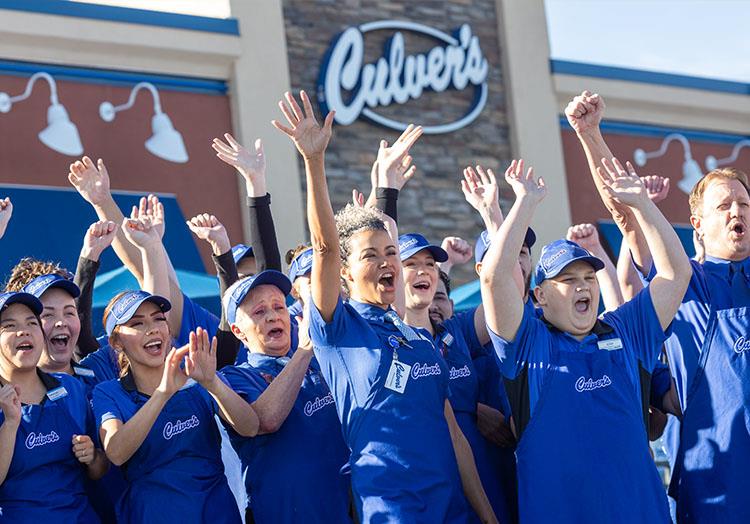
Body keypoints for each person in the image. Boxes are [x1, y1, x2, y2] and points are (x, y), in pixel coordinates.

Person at [272, 89, 496, 523]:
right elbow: (324, 247)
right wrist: (313, 161)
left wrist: (488, 516)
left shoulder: (422, 339)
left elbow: (453, 436)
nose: (386, 262)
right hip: (393, 513)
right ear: (346, 273)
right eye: (370, 255)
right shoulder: (338, 327)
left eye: (391, 252)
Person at [567, 90, 749, 522]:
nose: (736, 211)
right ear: (698, 225)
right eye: (723, 205)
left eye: (743, 203)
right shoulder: (685, 281)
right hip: (716, 491)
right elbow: (626, 214)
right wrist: (591, 136)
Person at [481, 158, 691, 523]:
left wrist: (643, 204)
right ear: (540, 297)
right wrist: (525, 202)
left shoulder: (626, 331)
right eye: (567, 280)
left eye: (589, 278)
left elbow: (676, 273)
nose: (583, 286)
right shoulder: (527, 345)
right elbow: (495, 279)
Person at [219, 270, 351, 523]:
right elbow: (267, 419)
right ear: (237, 331)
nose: (272, 316)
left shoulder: (319, 363)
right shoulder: (233, 378)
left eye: (279, 306)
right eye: (259, 312)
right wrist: (303, 352)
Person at [399, 233, 514, 523]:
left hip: (483, 477)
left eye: (430, 264)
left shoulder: (457, 330)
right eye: (411, 263)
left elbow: (506, 298)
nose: (423, 270)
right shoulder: (388, 343)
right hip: (430, 489)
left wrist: (493, 217)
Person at [0, 291, 107, 523]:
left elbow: (101, 468)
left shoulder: (72, 389)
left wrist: (92, 458)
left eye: (32, 323)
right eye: (9, 326)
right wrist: (9, 424)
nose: (24, 331)